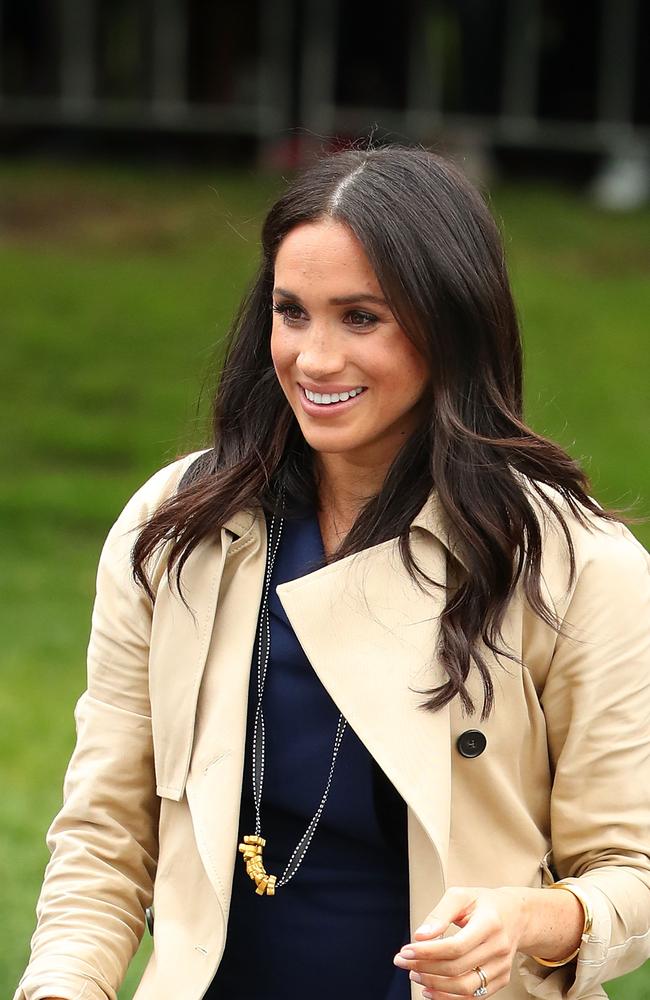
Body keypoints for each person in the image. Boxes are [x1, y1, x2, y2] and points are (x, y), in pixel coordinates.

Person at [15, 147, 650, 1000]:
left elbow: (633, 872)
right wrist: (62, 984)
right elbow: (103, 838)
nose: (314, 360)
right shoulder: (177, 527)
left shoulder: (575, 567)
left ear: (449, 324)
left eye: (361, 318)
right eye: (292, 312)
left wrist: (530, 918)